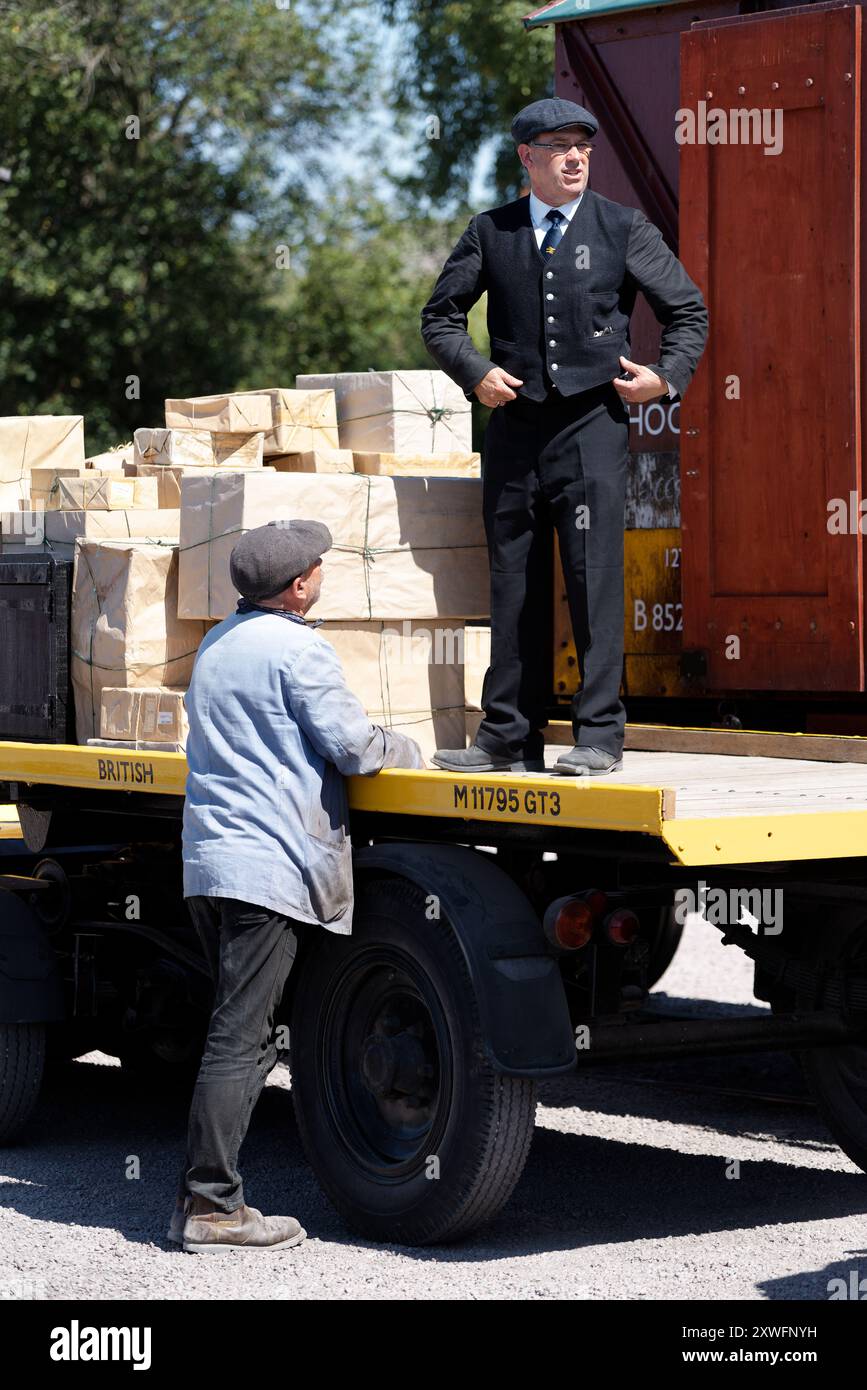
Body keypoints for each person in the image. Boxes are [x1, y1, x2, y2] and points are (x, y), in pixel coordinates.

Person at [421, 97, 708, 776]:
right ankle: (504, 738)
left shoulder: (623, 227)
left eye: (582, 146)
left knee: (594, 579)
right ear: (527, 157)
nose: (574, 157)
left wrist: (663, 379)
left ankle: (599, 737)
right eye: (557, 147)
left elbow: (687, 312)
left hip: (591, 428)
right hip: (515, 429)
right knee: (512, 582)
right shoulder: (490, 232)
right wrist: (475, 373)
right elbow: (440, 318)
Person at [167, 519, 424, 1253]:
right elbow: (350, 746)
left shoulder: (217, 642)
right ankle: (212, 1206)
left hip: (210, 861)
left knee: (236, 1032)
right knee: (240, 1038)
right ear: (301, 584)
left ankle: (195, 1198)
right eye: (318, 568)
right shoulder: (299, 648)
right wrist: (407, 747)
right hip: (266, 868)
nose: (322, 575)